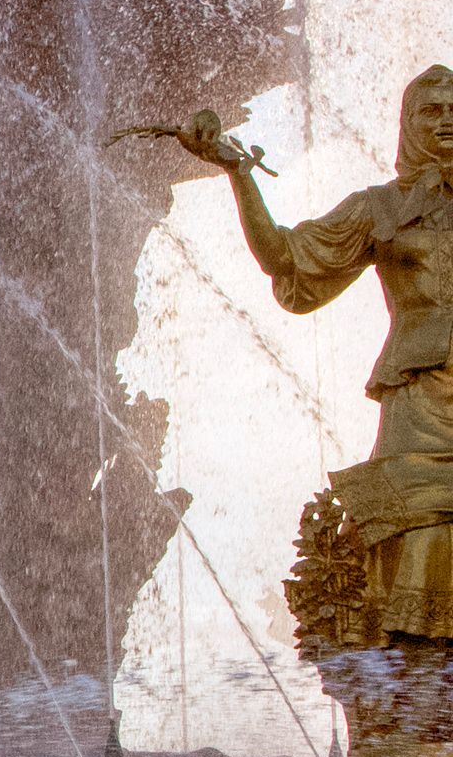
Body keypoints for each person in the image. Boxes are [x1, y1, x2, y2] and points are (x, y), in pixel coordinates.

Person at [185, 65, 453, 643]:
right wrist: (238, 172)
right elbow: (286, 258)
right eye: (431, 111)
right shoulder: (379, 208)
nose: (448, 120)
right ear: (407, 126)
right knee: (414, 537)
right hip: (421, 407)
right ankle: (413, 703)